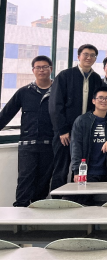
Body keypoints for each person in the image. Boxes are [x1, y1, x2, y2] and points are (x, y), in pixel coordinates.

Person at [0, 56, 54, 207]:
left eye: (45, 67)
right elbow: (6, 114)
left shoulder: (58, 91)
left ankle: (38, 213)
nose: (41, 70)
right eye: (38, 67)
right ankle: (20, 213)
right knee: (25, 180)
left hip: (49, 145)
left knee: (43, 182)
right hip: (27, 145)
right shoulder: (24, 92)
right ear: (33, 70)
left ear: (51, 69)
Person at [50, 44, 104, 192]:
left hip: (86, 132)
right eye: (85, 54)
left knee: (82, 169)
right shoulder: (65, 75)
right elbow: (55, 105)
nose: (89, 57)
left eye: (92, 55)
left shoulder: (96, 79)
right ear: (78, 56)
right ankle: (57, 200)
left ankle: (78, 198)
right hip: (65, 133)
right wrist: (62, 130)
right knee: (61, 169)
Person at [70, 86, 107, 204]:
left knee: (106, 204)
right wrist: (77, 171)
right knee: (84, 204)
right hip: (87, 172)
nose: (103, 101)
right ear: (93, 100)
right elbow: (76, 147)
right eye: (100, 98)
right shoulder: (82, 121)